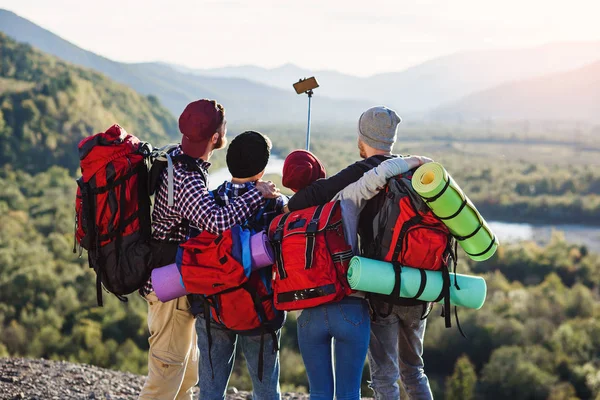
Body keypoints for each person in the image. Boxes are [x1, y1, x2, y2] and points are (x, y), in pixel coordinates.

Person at [285, 106, 435, 399]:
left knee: (384, 376)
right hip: (421, 286)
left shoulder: (351, 187)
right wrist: (417, 160)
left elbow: (314, 197)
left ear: (362, 137)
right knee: (415, 371)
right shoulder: (415, 176)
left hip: (378, 288)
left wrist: (284, 205)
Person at [138, 100, 278, 400]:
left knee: (187, 374)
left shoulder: (179, 159)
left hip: (183, 280)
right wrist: (257, 193)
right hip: (169, 286)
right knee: (167, 373)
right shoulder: (187, 178)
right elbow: (216, 221)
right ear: (216, 137)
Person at [195, 130, 286, 400]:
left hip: (213, 304)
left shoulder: (210, 202)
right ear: (261, 169)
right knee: (267, 388)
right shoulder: (275, 204)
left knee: (210, 389)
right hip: (261, 305)